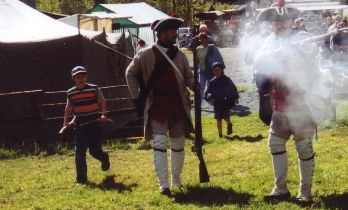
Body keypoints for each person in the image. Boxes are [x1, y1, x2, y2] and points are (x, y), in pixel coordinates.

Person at [254, 0, 330, 201]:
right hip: (279, 100)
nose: (279, 25)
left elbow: (311, 55)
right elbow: (259, 61)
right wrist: (277, 52)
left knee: (303, 145)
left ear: (290, 21)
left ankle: (305, 191)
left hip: (300, 99)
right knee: (275, 142)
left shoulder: (302, 36)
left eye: (283, 21)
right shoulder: (270, 40)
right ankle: (280, 188)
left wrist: (292, 51)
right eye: (275, 21)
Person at [125, 17, 194, 195]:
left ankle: (176, 179)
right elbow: (130, 73)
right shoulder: (145, 54)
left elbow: (188, 77)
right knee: (160, 143)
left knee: (178, 143)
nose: (175, 34)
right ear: (162, 33)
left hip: (177, 105)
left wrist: (195, 85)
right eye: (172, 31)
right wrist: (137, 96)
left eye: (175, 31)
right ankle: (163, 184)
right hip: (157, 105)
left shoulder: (179, 55)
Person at [62, 66, 110, 184]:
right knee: (79, 152)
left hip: (94, 123)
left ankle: (104, 158)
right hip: (80, 125)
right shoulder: (70, 92)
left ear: (86, 76)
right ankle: (81, 179)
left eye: (83, 76)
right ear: (74, 78)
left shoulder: (94, 88)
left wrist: (103, 114)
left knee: (94, 151)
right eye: (78, 77)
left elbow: (102, 102)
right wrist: (66, 122)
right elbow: (68, 107)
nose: (81, 79)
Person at [204, 62, 239, 138]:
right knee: (218, 118)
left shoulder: (226, 79)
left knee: (225, 116)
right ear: (213, 71)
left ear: (221, 70)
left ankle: (229, 124)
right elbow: (208, 92)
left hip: (225, 102)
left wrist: (236, 97)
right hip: (217, 102)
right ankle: (220, 135)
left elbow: (233, 88)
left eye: (218, 70)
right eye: (215, 70)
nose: (217, 72)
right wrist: (208, 95)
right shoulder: (212, 82)